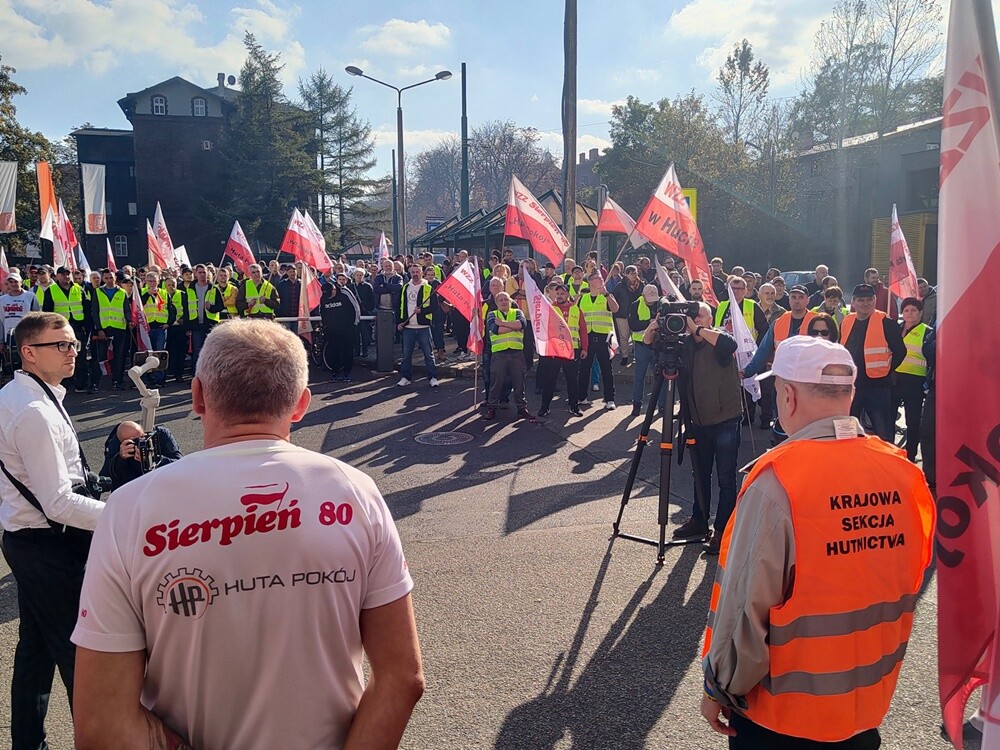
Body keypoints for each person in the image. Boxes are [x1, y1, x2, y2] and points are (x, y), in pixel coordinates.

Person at [71, 319, 424, 750]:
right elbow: (403, 678)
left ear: (198, 396)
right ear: (300, 405)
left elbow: (101, 723)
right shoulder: (355, 491)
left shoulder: (130, 507)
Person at [700, 335, 934, 748]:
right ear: (851, 393)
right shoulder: (903, 474)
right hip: (866, 707)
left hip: (785, 717)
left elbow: (744, 605)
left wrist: (719, 687)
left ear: (787, 396)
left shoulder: (780, 482)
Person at [0, 312, 106, 750]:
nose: (72, 352)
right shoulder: (33, 411)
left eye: (74, 344)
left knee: (36, 650)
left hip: (31, 539)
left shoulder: (25, 394)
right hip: (49, 543)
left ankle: (27, 742)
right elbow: (59, 502)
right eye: (60, 345)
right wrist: (123, 512)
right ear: (29, 353)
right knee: (78, 658)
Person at [647, 303, 741, 553]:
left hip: (725, 420)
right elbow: (650, 345)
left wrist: (697, 329)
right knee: (700, 474)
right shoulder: (685, 345)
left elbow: (729, 345)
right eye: (691, 316)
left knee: (726, 478)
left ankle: (723, 530)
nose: (692, 320)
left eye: (699, 315)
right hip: (698, 421)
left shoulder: (718, 337)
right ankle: (699, 521)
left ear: (709, 318)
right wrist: (655, 325)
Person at [841, 284, 906, 443]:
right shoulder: (846, 321)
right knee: (846, 430)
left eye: (870, 299)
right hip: (851, 386)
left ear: (875, 300)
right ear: (853, 302)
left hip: (877, 387)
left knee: (882, 432)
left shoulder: (886, 323)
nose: (866, 303)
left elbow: (900, 352)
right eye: (861, 300)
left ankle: (885, 465)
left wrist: (887, 370)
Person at [536, 282, 586, 418]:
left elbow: (583, 330)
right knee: (550, 380)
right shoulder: (550, 309)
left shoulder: (576, 309)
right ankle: (544, 407)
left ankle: (574, 407)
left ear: (568, 295)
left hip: (572, 350)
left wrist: (585, 349)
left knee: (572, 380)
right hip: (555, 351)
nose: (559, 296)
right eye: (557, 293)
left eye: (562, 293)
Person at [893, 297, 932, 463]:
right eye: (907, 310)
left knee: (913, 421)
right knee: (889, 418)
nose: (910, 313)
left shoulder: (927, 331)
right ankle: (890, 453)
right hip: (894, 380)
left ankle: (910, 454)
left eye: (914, 310)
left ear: (920, 313)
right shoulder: (895, 328)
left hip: (914, 382)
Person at [483, 292, 532, 420]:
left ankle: (522, 408)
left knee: (519, 383)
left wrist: (503, 323)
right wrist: (512, 326)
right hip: (499, 354)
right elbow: (495, 330)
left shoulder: (517, 312)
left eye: (506, 299)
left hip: (516, 353)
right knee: (496, 383)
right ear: (497, 303)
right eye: (501, 300)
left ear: (510, 301)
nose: (504, 302)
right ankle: (491, 408)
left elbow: (522, 325)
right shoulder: (492, 314)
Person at [99, 420, 183, 492]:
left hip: (161, 486)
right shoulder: (116, 446)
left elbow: (180, 464)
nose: (141, 443)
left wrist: (154, 459)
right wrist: (120, 458)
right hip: (133, 492)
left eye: (142, 437)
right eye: (134, 441)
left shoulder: (160, 434)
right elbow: (104, 478)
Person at [576, 272, 619, 410]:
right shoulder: (583, 298)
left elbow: (615, 309)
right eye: (598, 278)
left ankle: (610, 399)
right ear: (590, 281)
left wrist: (606, 294)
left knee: (606, 369)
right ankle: (582, 397)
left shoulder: (606, 296)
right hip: (587, 337)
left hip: (602, 338)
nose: (601, 280)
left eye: (601, 278)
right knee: (584, 369)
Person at [397, 264, 440, 388]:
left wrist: (422, 312)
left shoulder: (427, 287)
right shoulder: (405, 288)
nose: (415, 274)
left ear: (422, 273)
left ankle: (432, 377)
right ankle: (405, 377)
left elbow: (435, 307)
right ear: (410, 273)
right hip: (408, 327)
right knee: (406, 355)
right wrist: (399, 322)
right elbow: (400, 306)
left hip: (423, 327)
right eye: (413, 272)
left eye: (417, 272)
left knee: (428, 354)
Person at [628, 285, 667, 417]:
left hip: (658, 345)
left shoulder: (662, 304)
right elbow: (633, 325)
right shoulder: (635, 305)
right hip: (641, 345)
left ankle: (662, 405)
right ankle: (636, 405)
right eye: (649, 298)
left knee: (660, 377)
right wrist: (649, 323)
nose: (652, 301)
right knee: (640, 376)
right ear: (643, 296)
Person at [89, 268, 130, 392]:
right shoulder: (97, 292)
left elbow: (126, 310)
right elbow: (94, 312)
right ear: (103, 279)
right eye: (106, 278)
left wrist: (129, 321)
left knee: (119, 357)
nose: (109, 280)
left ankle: (118, 381)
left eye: (111, 277)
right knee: (99, 357)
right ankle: (95, 383)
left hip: (119, 328)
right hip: (104, 329)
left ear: (115, 278)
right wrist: (99, 329)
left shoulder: (122, 292)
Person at [320, 280, 360, 382]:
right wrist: (325, 326)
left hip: (347, 328)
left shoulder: (344, 294)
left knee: (348, 351)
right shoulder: (323, 298)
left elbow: (355, 308)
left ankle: (347, 372)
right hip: (332, 330)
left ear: (334, 290)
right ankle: (335, 372)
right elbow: (322, 313)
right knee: (334, 351)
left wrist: (355, 323)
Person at [613, 265, 643, 366]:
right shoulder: (620, 286)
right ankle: (624, 356)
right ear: (626, 274)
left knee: (636, 336)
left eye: (635, 273)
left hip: (636, 314)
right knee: (624, 336)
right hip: (622, 314)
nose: (634, 275)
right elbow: (613, 298)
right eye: (632, 273)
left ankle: (637, 357)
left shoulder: (641, 285)